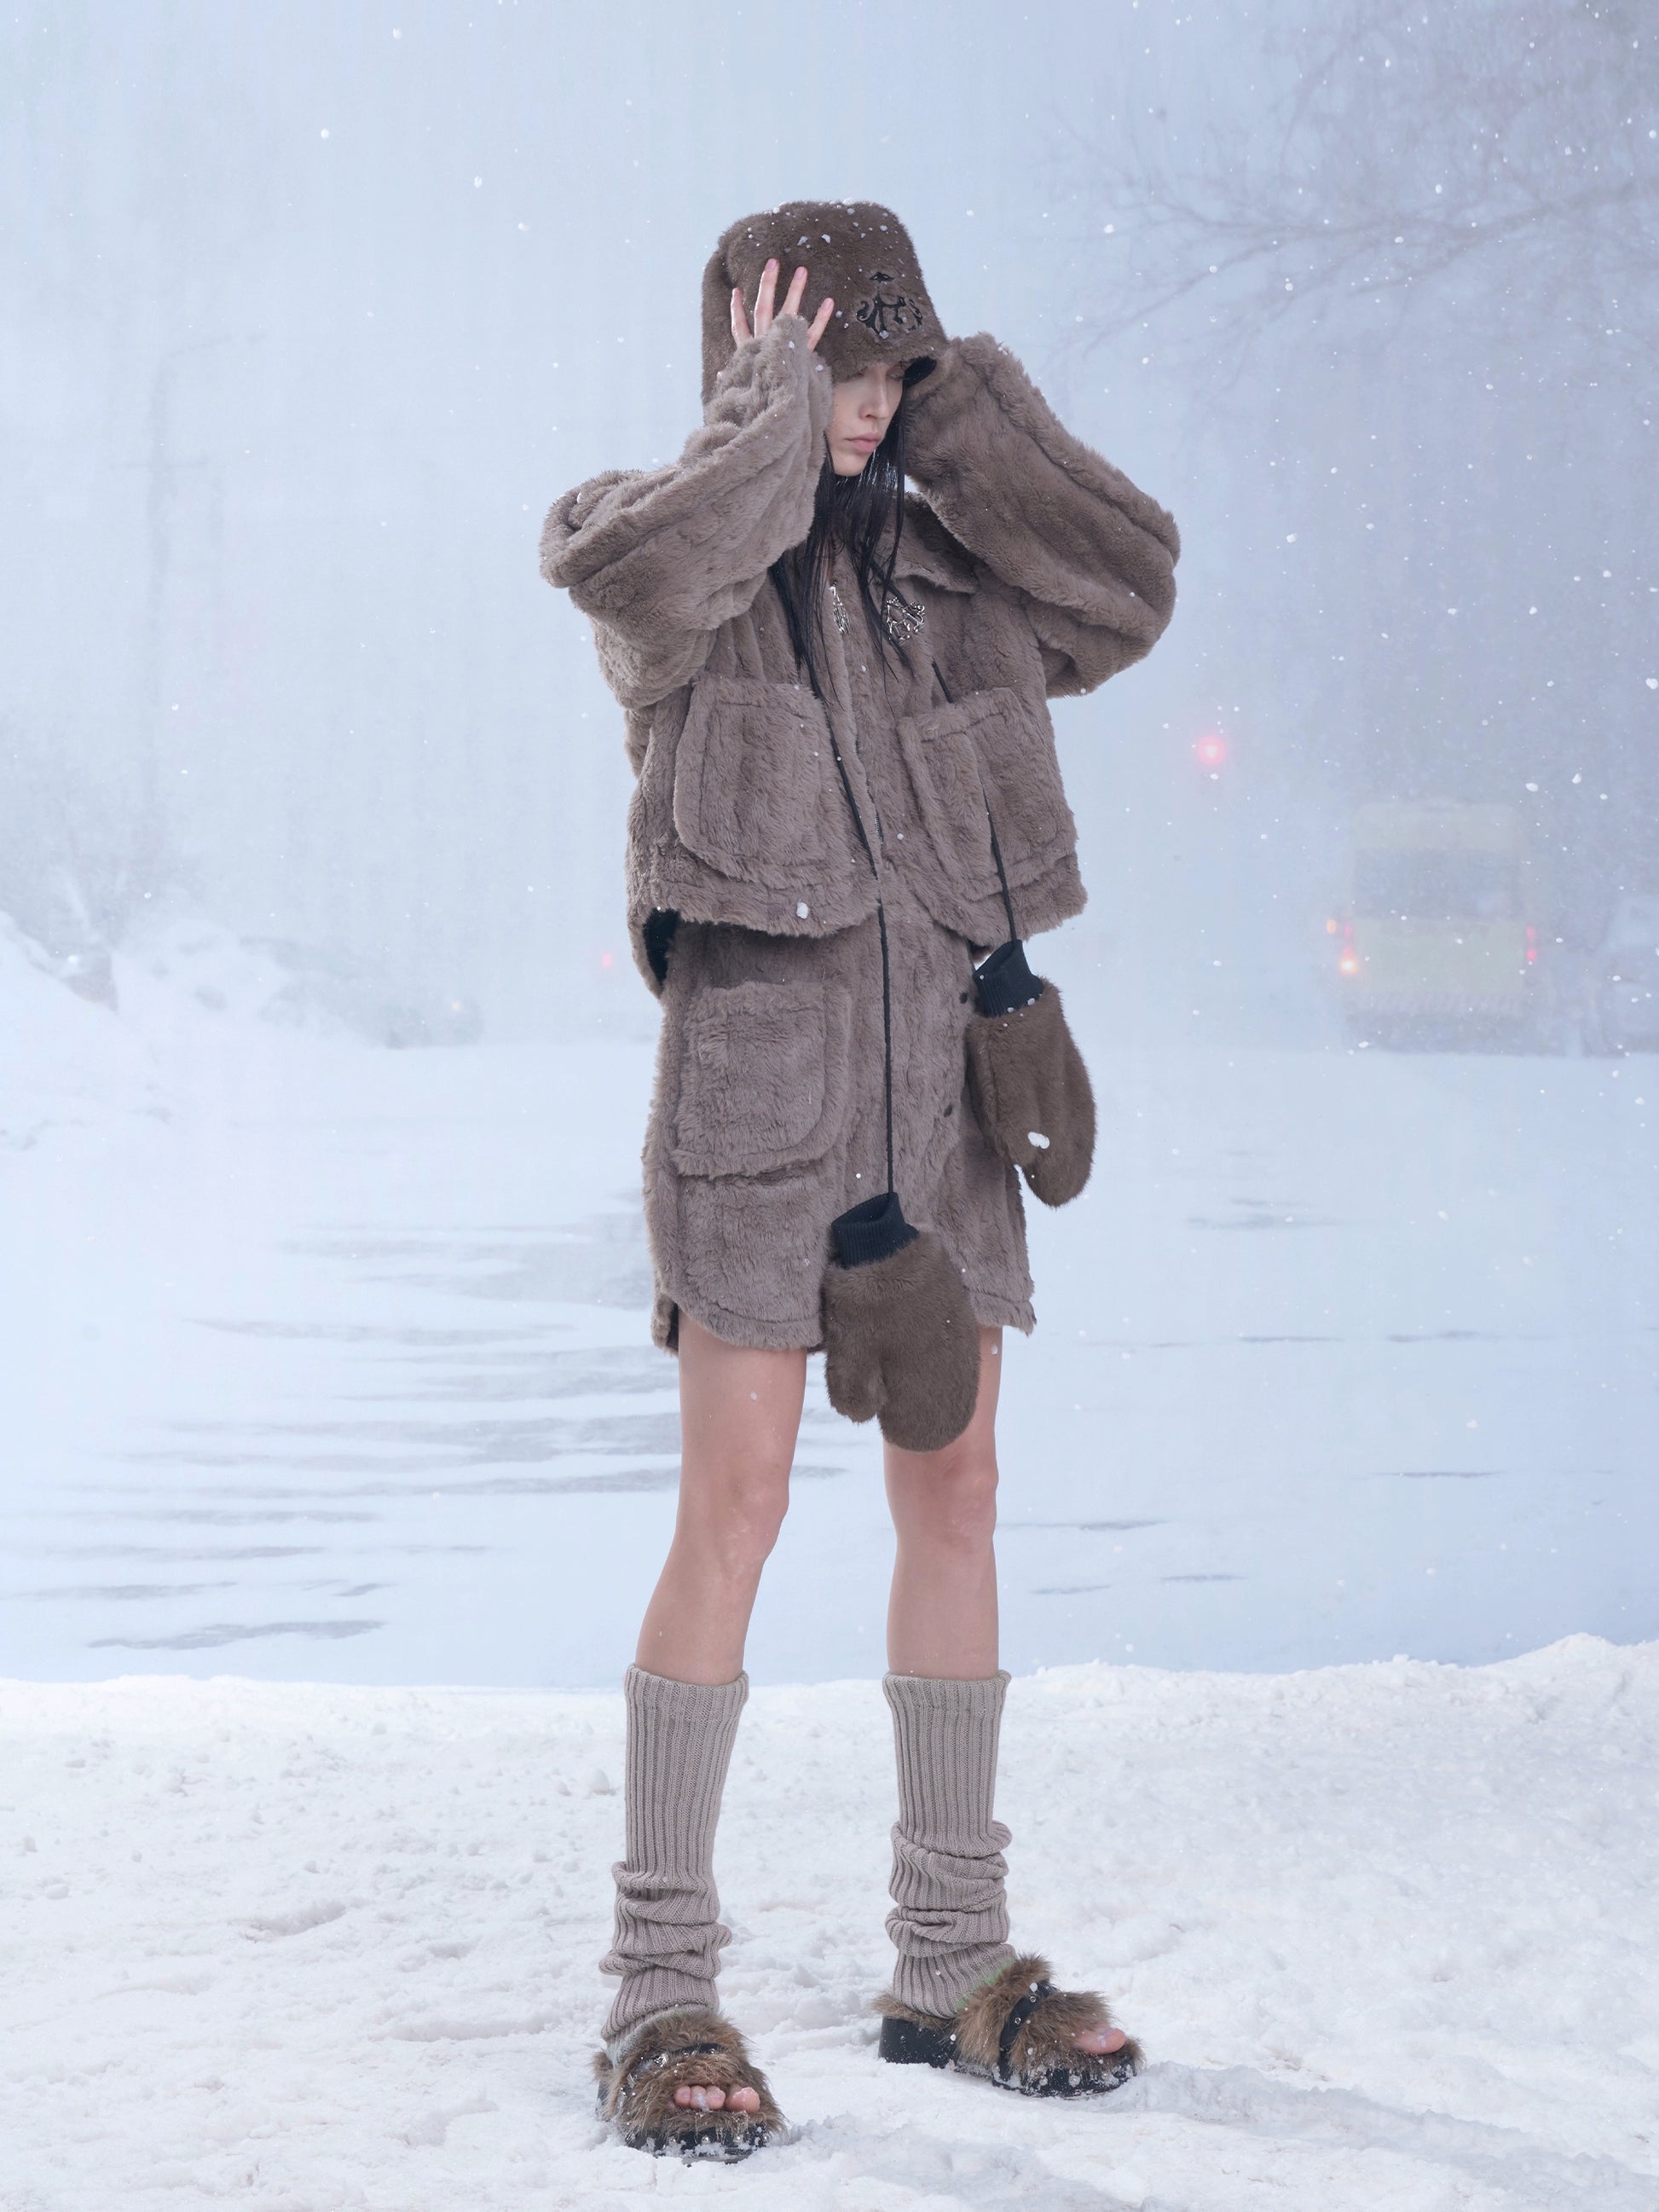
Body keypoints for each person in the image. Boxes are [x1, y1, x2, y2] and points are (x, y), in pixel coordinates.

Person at [540, 200, 1179, 2159]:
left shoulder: (957, 574)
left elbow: (1132, 581)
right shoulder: (672, 562)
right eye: (834, 363)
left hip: (952, 1107)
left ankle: (951, 1956)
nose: (860, 402)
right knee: (732, 1506)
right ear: (748, 360)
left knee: (960, 1484)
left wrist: (959, 412)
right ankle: (659, 1985)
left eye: (887, 363)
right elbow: (636, 559)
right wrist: (762, 406)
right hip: (760, 1102)